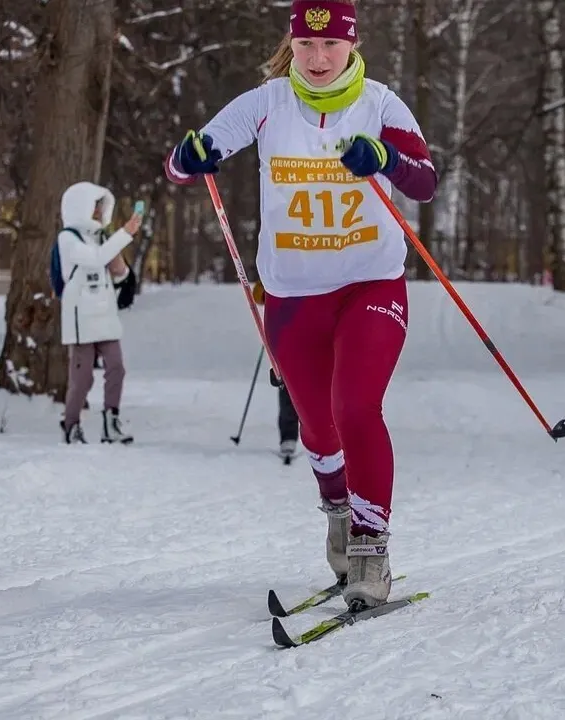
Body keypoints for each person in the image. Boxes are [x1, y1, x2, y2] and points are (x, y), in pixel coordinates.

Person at [164, 0, 437, 610]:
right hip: (293, 296)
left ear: (352, 43)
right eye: (306, 45)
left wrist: (386, 158)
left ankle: (370, 548)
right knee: (317, 427)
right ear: (292, 43)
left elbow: (424, 180)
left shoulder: (382, 105)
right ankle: (338, 511)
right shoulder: (267, 102)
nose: (317, 58)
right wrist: (189, 157)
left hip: (370, 284)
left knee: (355, 407)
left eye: (330, 44)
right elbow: (188, 160)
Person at [58, 181, 142, 445]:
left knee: (116, 368)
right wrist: (125, 233)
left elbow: (114, 268)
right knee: (82, 378)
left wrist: (123, 272)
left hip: (105, 314)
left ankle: (111, 421)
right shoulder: (67, 239)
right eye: (93, 206)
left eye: (100, 207)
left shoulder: (101, 237)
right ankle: (71, 424)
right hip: (81, 317)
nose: (97, 212)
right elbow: (93, 258)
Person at [251, 280, 302, 461]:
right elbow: (258, 296)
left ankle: (327, 440)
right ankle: (288, 438)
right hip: (284, 334)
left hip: (313, 330)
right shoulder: (276, 268)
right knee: (286, 386)